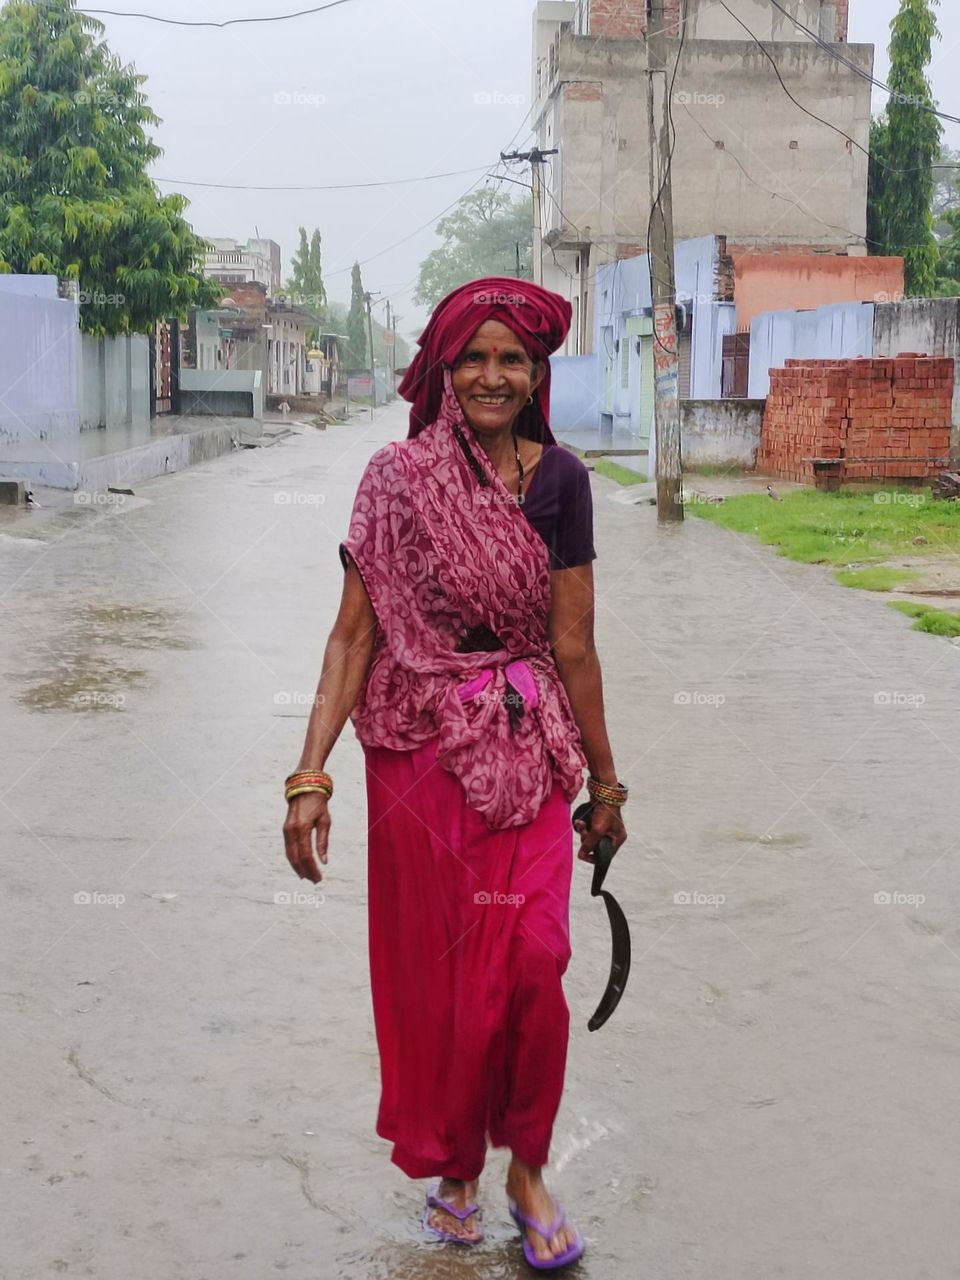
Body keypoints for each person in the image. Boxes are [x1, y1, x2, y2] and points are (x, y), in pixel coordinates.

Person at [283, 276, 627, 1271]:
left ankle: (528, 1170)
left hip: (526, 748)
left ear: (536, 374)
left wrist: (606, 785)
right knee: (448, 983)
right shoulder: (395, 479)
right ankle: (459, 1167)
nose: (491, 375)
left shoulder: (562, 482)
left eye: (511, 358)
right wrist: (310, 774)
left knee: (535, 961)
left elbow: (575, 644)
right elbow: (354, 636)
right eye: (472, 357)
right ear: (442, 370)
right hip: (420, 757)